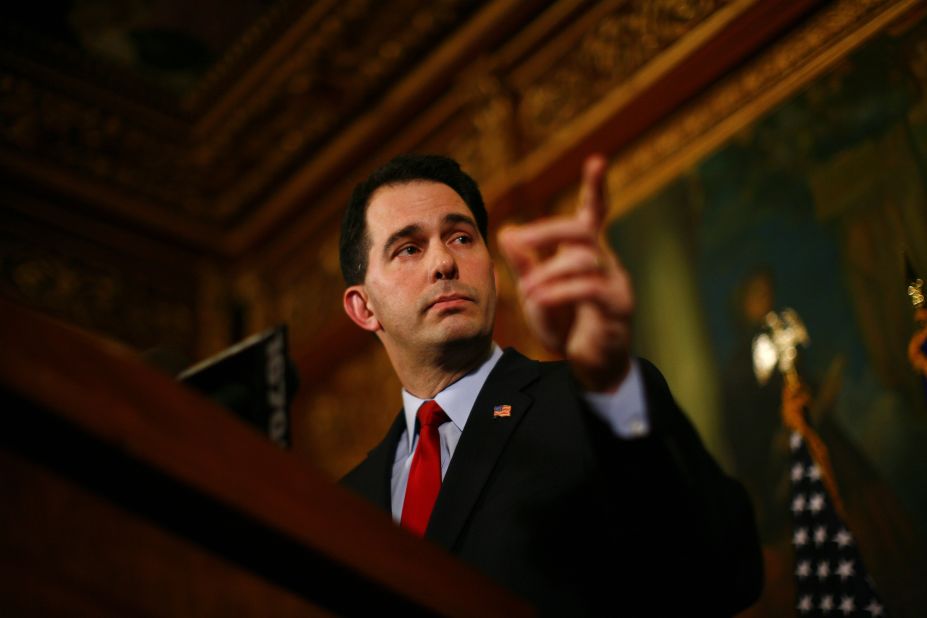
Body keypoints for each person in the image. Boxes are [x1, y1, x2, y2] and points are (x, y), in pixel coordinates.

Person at [338, 153, 762, 615]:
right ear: (364, 308)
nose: (444, 262)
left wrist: (613, 391)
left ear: (492, 272)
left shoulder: (590, 401)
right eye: (408, 248)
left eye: (461, 237)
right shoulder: (347, 504)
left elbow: (727, 572)